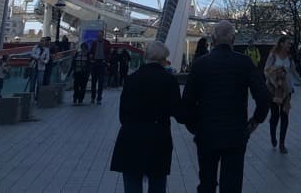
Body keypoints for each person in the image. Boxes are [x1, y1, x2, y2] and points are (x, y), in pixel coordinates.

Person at [182, 19, 270, 193]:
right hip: (235, 134)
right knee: (232, 184)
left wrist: (194, 127)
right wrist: (254, 122)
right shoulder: (244, 63)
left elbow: (187, 102)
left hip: (206, 134)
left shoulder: (200, 64)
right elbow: (263, 98)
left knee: (206, 183)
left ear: (213, 39)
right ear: (233, 39)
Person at [110, 40, 183, 193]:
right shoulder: (169, 81)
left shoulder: (131, 80)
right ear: (162, 60)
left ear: (146, 57)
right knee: (157, 183)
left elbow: (123, 115)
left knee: (132, 183)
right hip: (158, 140)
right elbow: (179, 113)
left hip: (131, 138)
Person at [264, 35, 300, 154]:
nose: (290, 45)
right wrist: (276, 70)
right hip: (273, 90)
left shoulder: (289, 57)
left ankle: (282, 143)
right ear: (281, 44)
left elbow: (293, 71)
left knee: (285, 115)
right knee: (275, 115)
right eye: (288, 43)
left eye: (290, 43)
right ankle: (273, 135)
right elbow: (266, 70)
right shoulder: (273, 56)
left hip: (286, 90)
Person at [89, 30, 111, 104]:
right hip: (95, 63)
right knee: (93, 82)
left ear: (103, 35)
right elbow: (91, 52)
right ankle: (92, 97)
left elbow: (109, 53)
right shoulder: (94, 43)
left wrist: (106, 61)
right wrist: (91, 58)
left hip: (102, 63)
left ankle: (99, 98)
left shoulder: (107, 43)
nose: (99, 37)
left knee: (101, 82)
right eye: (98, 36)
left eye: (100, 35)